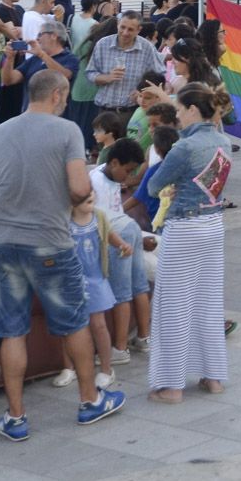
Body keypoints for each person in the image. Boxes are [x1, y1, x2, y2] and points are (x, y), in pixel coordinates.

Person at [0, 71, 125, 439]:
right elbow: (77, 188)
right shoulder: (67, 131)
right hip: (49, 243)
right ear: (57, 95)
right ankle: (90, 401)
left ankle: (15, 417)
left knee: (12, 331)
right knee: (74, 323)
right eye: (66, 96)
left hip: (2, 241)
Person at [145, 84, 231, 403]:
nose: (177, 116)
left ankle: (171, 384)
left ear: (193, 109)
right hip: (213, 224)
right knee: (208, 302)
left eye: (180, 109)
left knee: (173, 305)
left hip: (184, 226)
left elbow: (154, 186)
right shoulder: (223, 141)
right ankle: (213, 376)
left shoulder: (184, 146)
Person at [50, 192, 125, 392]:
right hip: (71, 281)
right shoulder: (64, 221)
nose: (92, 204)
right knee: (68, 326)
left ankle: (107, 369)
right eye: (87, 201)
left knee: (98, 324)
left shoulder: (98, 217)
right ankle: (69, 367)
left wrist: (122, 245)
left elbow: (109, 234)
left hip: (95, 279)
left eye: (93, 199)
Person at [88, 138, 151, 362]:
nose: (128, 176)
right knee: (135, 287)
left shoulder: (101, 176)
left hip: (121, 232)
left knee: (126, 290)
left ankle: (121, 348)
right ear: (114, 163)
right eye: (128, 170)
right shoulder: (95, 180)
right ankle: (141, 338)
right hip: (124, 230)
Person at [88, 13, 166, 128]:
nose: (125, 32)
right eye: (122, 27)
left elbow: (159, 75)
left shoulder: (146, 48)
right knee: (105, 145)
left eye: (130, 29)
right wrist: (107, 77)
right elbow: (90, 73)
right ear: (118, 25)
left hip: (132, 112)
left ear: (138, 30)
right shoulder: (103, 44)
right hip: (105, 111)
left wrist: (142, 91)